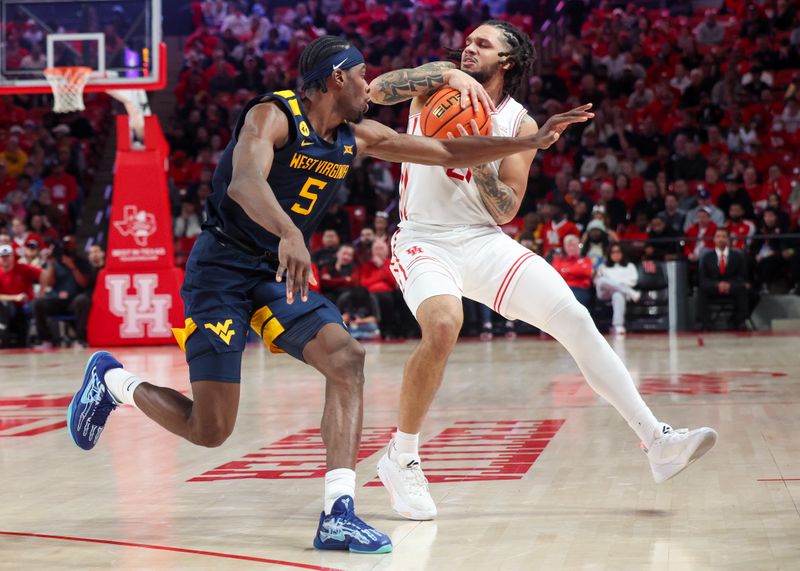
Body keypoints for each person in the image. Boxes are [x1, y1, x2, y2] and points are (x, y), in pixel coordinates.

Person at [67, 36, 583, 553]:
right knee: (211, 428)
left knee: (347, 358)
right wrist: (291, 234)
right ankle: (114, 381)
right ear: (338, 77)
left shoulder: (355, 135)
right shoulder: (273, 115)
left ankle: (338, 511)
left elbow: (448, 150)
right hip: (221, 271)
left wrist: (528, 144)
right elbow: (244, 183)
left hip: (275, 275)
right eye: (363, 75)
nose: (370, 85)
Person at [368, 20, 717, 521]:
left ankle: (656, 441)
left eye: (482, 44)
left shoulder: (521, 124)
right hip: (423, 236)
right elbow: (379, 91)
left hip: (483, 240)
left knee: (574, 318)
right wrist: (446, 74)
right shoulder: (435, 81)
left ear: (506, 61)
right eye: (468, 42)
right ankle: (401, 457)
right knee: (444, 325)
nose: (470, 48)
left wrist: (483, 151)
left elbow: (507, 207)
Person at [696, 228, 749, 330]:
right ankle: (705, 323)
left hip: (732, 287)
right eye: (718, 236)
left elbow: (741, 277)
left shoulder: (737, 256)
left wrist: (729, 284)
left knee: (744, 290)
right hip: (714, 287)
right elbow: (703, 279)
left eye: (724, 236)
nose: (721, 239)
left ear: (729, 239)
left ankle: (738, 321)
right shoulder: (707, 257)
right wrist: (717, 285)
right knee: (702, 290)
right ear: (714, 239)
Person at [0, 243, 52, 347]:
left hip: (27, 304)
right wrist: (15, 297)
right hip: (8, 307)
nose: (5, 259)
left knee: (37, 305)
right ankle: (3, 340)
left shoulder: (22, 268)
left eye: (8, 256)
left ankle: (44, 340)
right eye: (2, 257)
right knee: (4, 306)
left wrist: (42, 291)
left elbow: (43, 273)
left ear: (13, 256)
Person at [595, 244, 641, 335]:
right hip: (605, 293)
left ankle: (618, 325)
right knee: (601, 280)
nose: (615, 254)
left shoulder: (629, 266)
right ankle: (631, 293)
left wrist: (616, 284)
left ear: (622, 253)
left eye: (618, 252)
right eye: (613, 252)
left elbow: (633, 281)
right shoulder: (603, 267)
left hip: (620, 293)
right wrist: (620, 284)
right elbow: (600, 282)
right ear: (609, 254)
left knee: (618, 294)